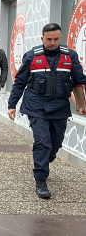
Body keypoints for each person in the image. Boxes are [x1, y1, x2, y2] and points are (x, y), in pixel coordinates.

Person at [8, 23, 86, 199]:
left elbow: (80, 81)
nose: (52, 43)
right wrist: (12, 104)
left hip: (60, 106)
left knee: (55, 143)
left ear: (61, 38)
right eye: (49, 39)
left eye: (56, 39)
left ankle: (45, 160)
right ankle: (40, 179)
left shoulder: (70, 56)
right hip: (36, 105)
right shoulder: (31, 57)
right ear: (42, 38)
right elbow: (20, 82)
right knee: (43, 142)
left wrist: (82, 103)